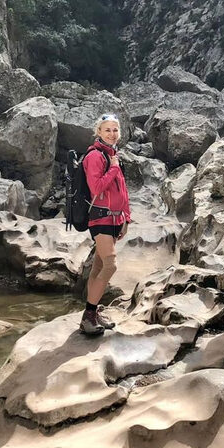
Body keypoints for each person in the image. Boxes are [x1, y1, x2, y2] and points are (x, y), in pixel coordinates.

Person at [80, 114, 131, 335]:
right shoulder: (95, 156)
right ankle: (88, 315)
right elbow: (97, 187)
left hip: (113, 218)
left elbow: (123, 192)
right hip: (99, 217)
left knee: (99, 267)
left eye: (115, 130)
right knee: (110, 265)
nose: (112, 134)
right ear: (98, 132)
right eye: (107, 130)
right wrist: (114, 168)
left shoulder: (112, 155)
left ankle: (93, 312)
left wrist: (125, 218)